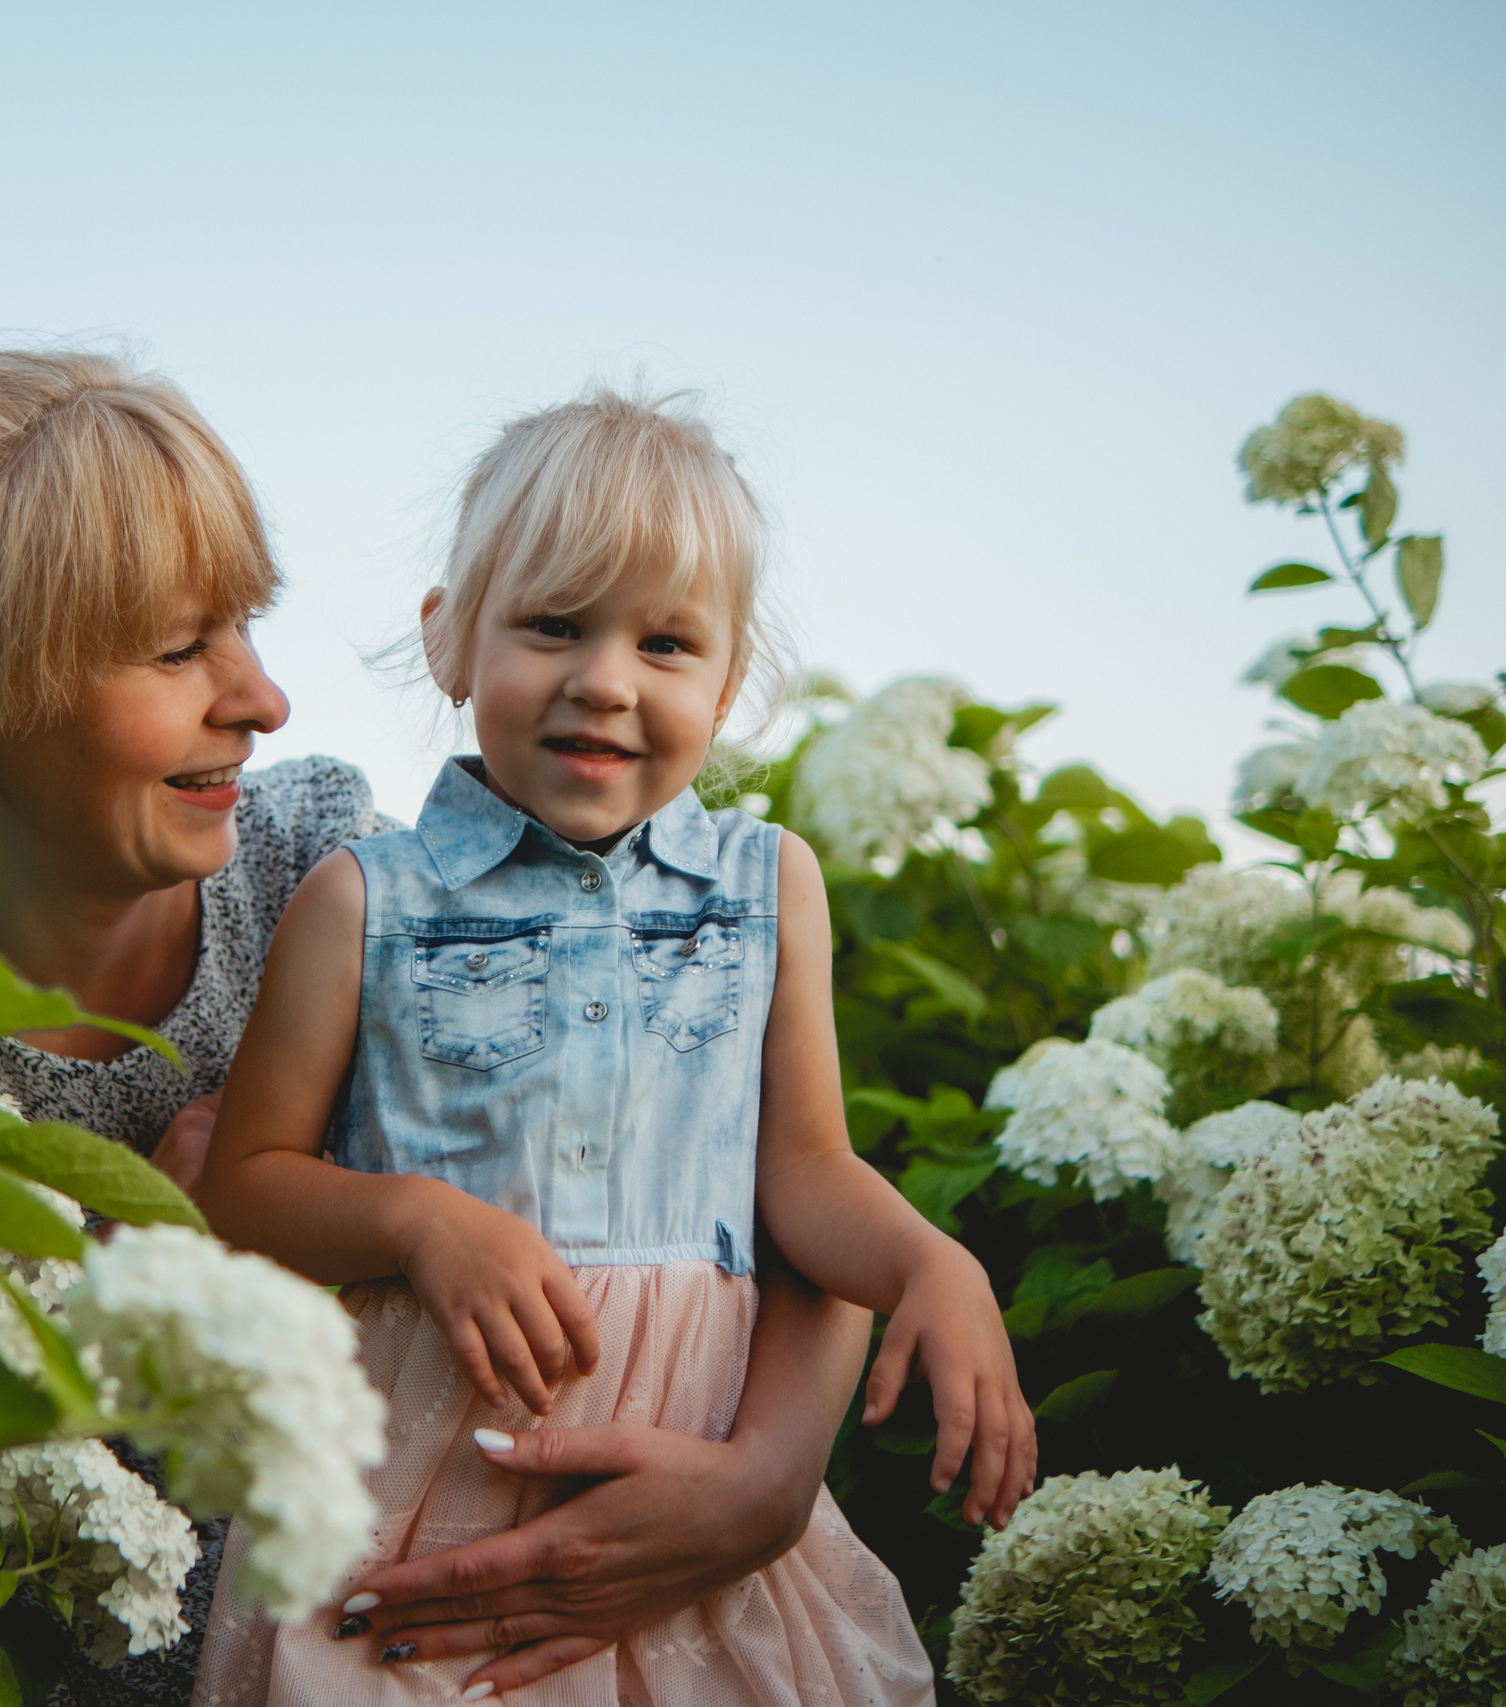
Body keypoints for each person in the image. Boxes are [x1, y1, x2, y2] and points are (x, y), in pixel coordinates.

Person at [0, 347, 883, 1706]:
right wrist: (130, 1295)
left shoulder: (312, 879)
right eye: (176, 648)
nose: (261, 699)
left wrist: (772, 1480)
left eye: (244, 626)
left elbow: (729, 1146)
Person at [193, 390, 1037, 1704]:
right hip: (416, 1495)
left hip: (690, 1484)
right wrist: (417, 1220)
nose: (605, 679)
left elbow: (805, 1172)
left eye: (667, 643)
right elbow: (242, 1190)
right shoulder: (367, 900)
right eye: (553, 625)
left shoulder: (767, 887)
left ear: (731, 673)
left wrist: (933, 1264)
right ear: (450, 639)